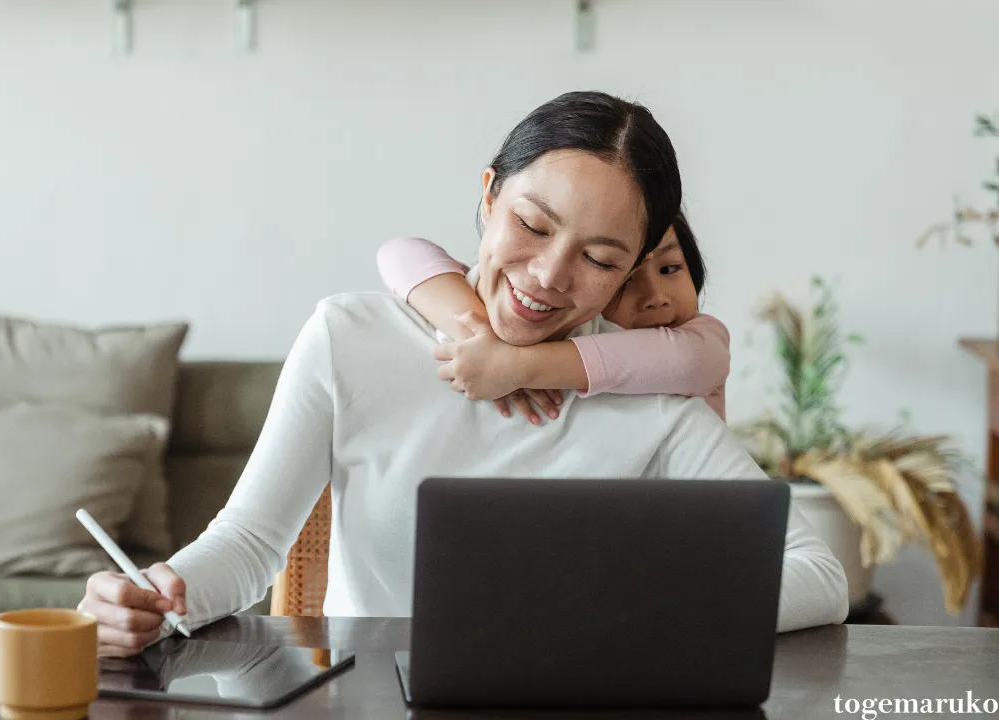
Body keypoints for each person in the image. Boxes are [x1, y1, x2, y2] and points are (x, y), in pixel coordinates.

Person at [78, 91, 849, 657]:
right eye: (532, 225)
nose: (548, 276)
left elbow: (818, 573)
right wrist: (153, 595)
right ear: (487, 198)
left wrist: (646, 611)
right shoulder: (350, 338)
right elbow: (248, 545)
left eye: (600, 258)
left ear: (632, 272)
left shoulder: (649, 395)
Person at [375, 212, 729, 423]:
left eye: (671, 268)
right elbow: (400, 253)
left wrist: (518, 365)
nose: (656, 298)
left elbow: (689, 361)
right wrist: (481, 337)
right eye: (626, 280)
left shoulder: (702, 339)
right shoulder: (564, 327)